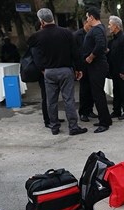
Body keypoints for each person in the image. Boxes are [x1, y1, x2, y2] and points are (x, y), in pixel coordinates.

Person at [28, 8, 87, 136]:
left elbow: (35, 54)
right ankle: (73, 127)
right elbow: (75, 53)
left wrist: (42, 68)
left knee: (51, 101)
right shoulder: (66, 33)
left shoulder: (37, 36)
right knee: (69, 100)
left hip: (49, 72)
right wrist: (79, 69)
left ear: (41, 21)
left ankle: (54, 126)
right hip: (66, 71)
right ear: (52, 18)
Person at [83, 6, 112, 133]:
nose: (86, 20)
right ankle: (105, 119)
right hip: (97, 66)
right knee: (98, 94)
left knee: (98, 95)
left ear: (91, 17)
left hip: (97, 66)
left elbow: (100, 45)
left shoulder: (97, 29)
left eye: (87, 17)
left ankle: (104, 122)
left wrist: (91, 56)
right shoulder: (99, 29)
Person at [107, 15, 124, 120]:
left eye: (110, 25)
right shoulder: (113, 39)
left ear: (116, 26)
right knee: (116, 92)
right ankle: (116, 110)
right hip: (115, 70)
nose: (108, 27)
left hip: (122, 71)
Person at [73, 17, 98, 122]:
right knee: (84, 90)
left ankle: (90, 110)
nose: (91, 26)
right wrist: (76, 68)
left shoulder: (93, 34)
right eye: (89, 24)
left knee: (92, 90)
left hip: (92, 65)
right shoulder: (77, 35)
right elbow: (75, 52)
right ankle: (83, 112)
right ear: (85, 23)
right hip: (82, 66)